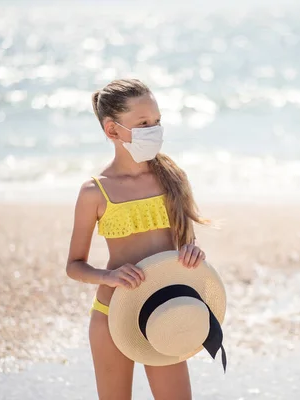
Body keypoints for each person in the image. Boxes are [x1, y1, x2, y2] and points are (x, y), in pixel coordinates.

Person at [66, 78, 209, 400]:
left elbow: (188, 242)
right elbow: (74, 266)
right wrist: (109, 276)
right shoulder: (94, 192)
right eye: (143, 123)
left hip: (165, 312)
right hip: (111, 313)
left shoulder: (172, 177)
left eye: (157, 122)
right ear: (112, 130)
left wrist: (192, 253)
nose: (153, 130)